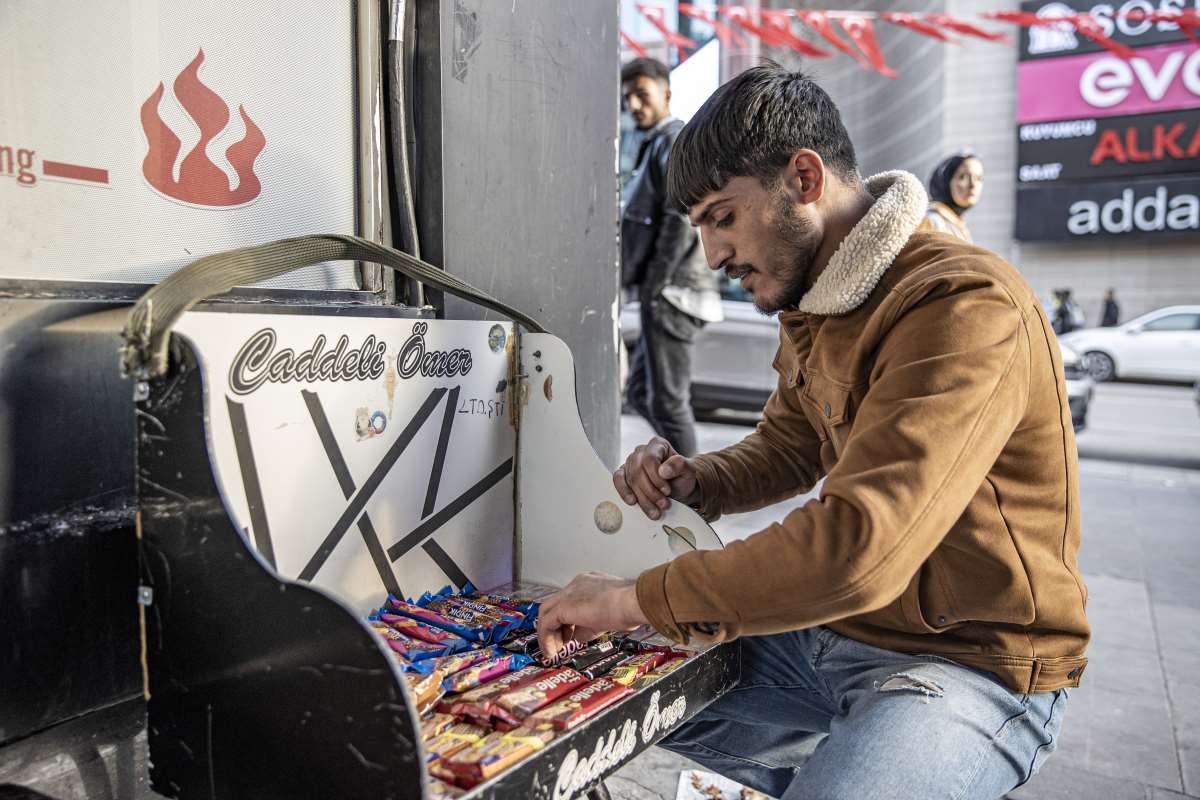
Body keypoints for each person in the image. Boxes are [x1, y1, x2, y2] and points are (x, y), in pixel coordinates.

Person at [538, 65, 1087, 799]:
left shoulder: (963, 304)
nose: (711, 256)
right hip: (835, 633)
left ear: (803, 177)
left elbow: (859, 548)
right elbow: (792, 445)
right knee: (587, 685)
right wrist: (700, 481)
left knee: (635, 621)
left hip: (970, 663)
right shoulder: (817, 299)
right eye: (698, 227)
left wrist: (636, 595)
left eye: (722, 218)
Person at [620, 57, 722, 457]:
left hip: (673, 292)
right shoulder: (654, 144)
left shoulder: (671, 140)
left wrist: (655, 286)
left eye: (642, 94)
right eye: (627, 97)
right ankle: (679, 474)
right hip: (663, 291)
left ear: (666, 94)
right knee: (642, 392)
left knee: (669, 402)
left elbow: (681, 217)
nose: (633, 105)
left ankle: (693, 496)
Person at [925, 152, 983, 242]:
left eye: (978, 178)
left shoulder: (958, 224)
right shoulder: (932, 221)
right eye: (963, 177)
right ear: (946, 182)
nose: (973, 185)